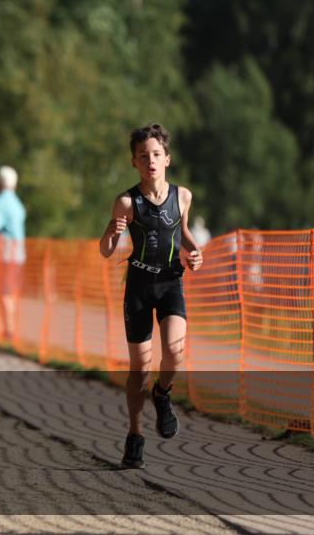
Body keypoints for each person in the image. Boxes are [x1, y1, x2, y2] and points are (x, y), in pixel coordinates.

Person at [98, 123, 203, 470]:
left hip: (171, 282)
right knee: (139, 368)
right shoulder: (127, 202)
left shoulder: (183, 196)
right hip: (140, 287)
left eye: (156, 154)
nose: (150, 161)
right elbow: (105, 250)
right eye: (143, 156)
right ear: (134, 162)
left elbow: (181, 231)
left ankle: (163, 393)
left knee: (175, 351)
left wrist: (194, 251)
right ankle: (135, 434)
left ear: (167, 159)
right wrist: (113, 232)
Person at [0, 165, 26, 344]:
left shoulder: (0, 200)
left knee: (4, 292)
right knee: (10, 291)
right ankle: (9, 328)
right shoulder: (17, 202)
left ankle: (9, 330)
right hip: (19, 253)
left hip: (6, 252)